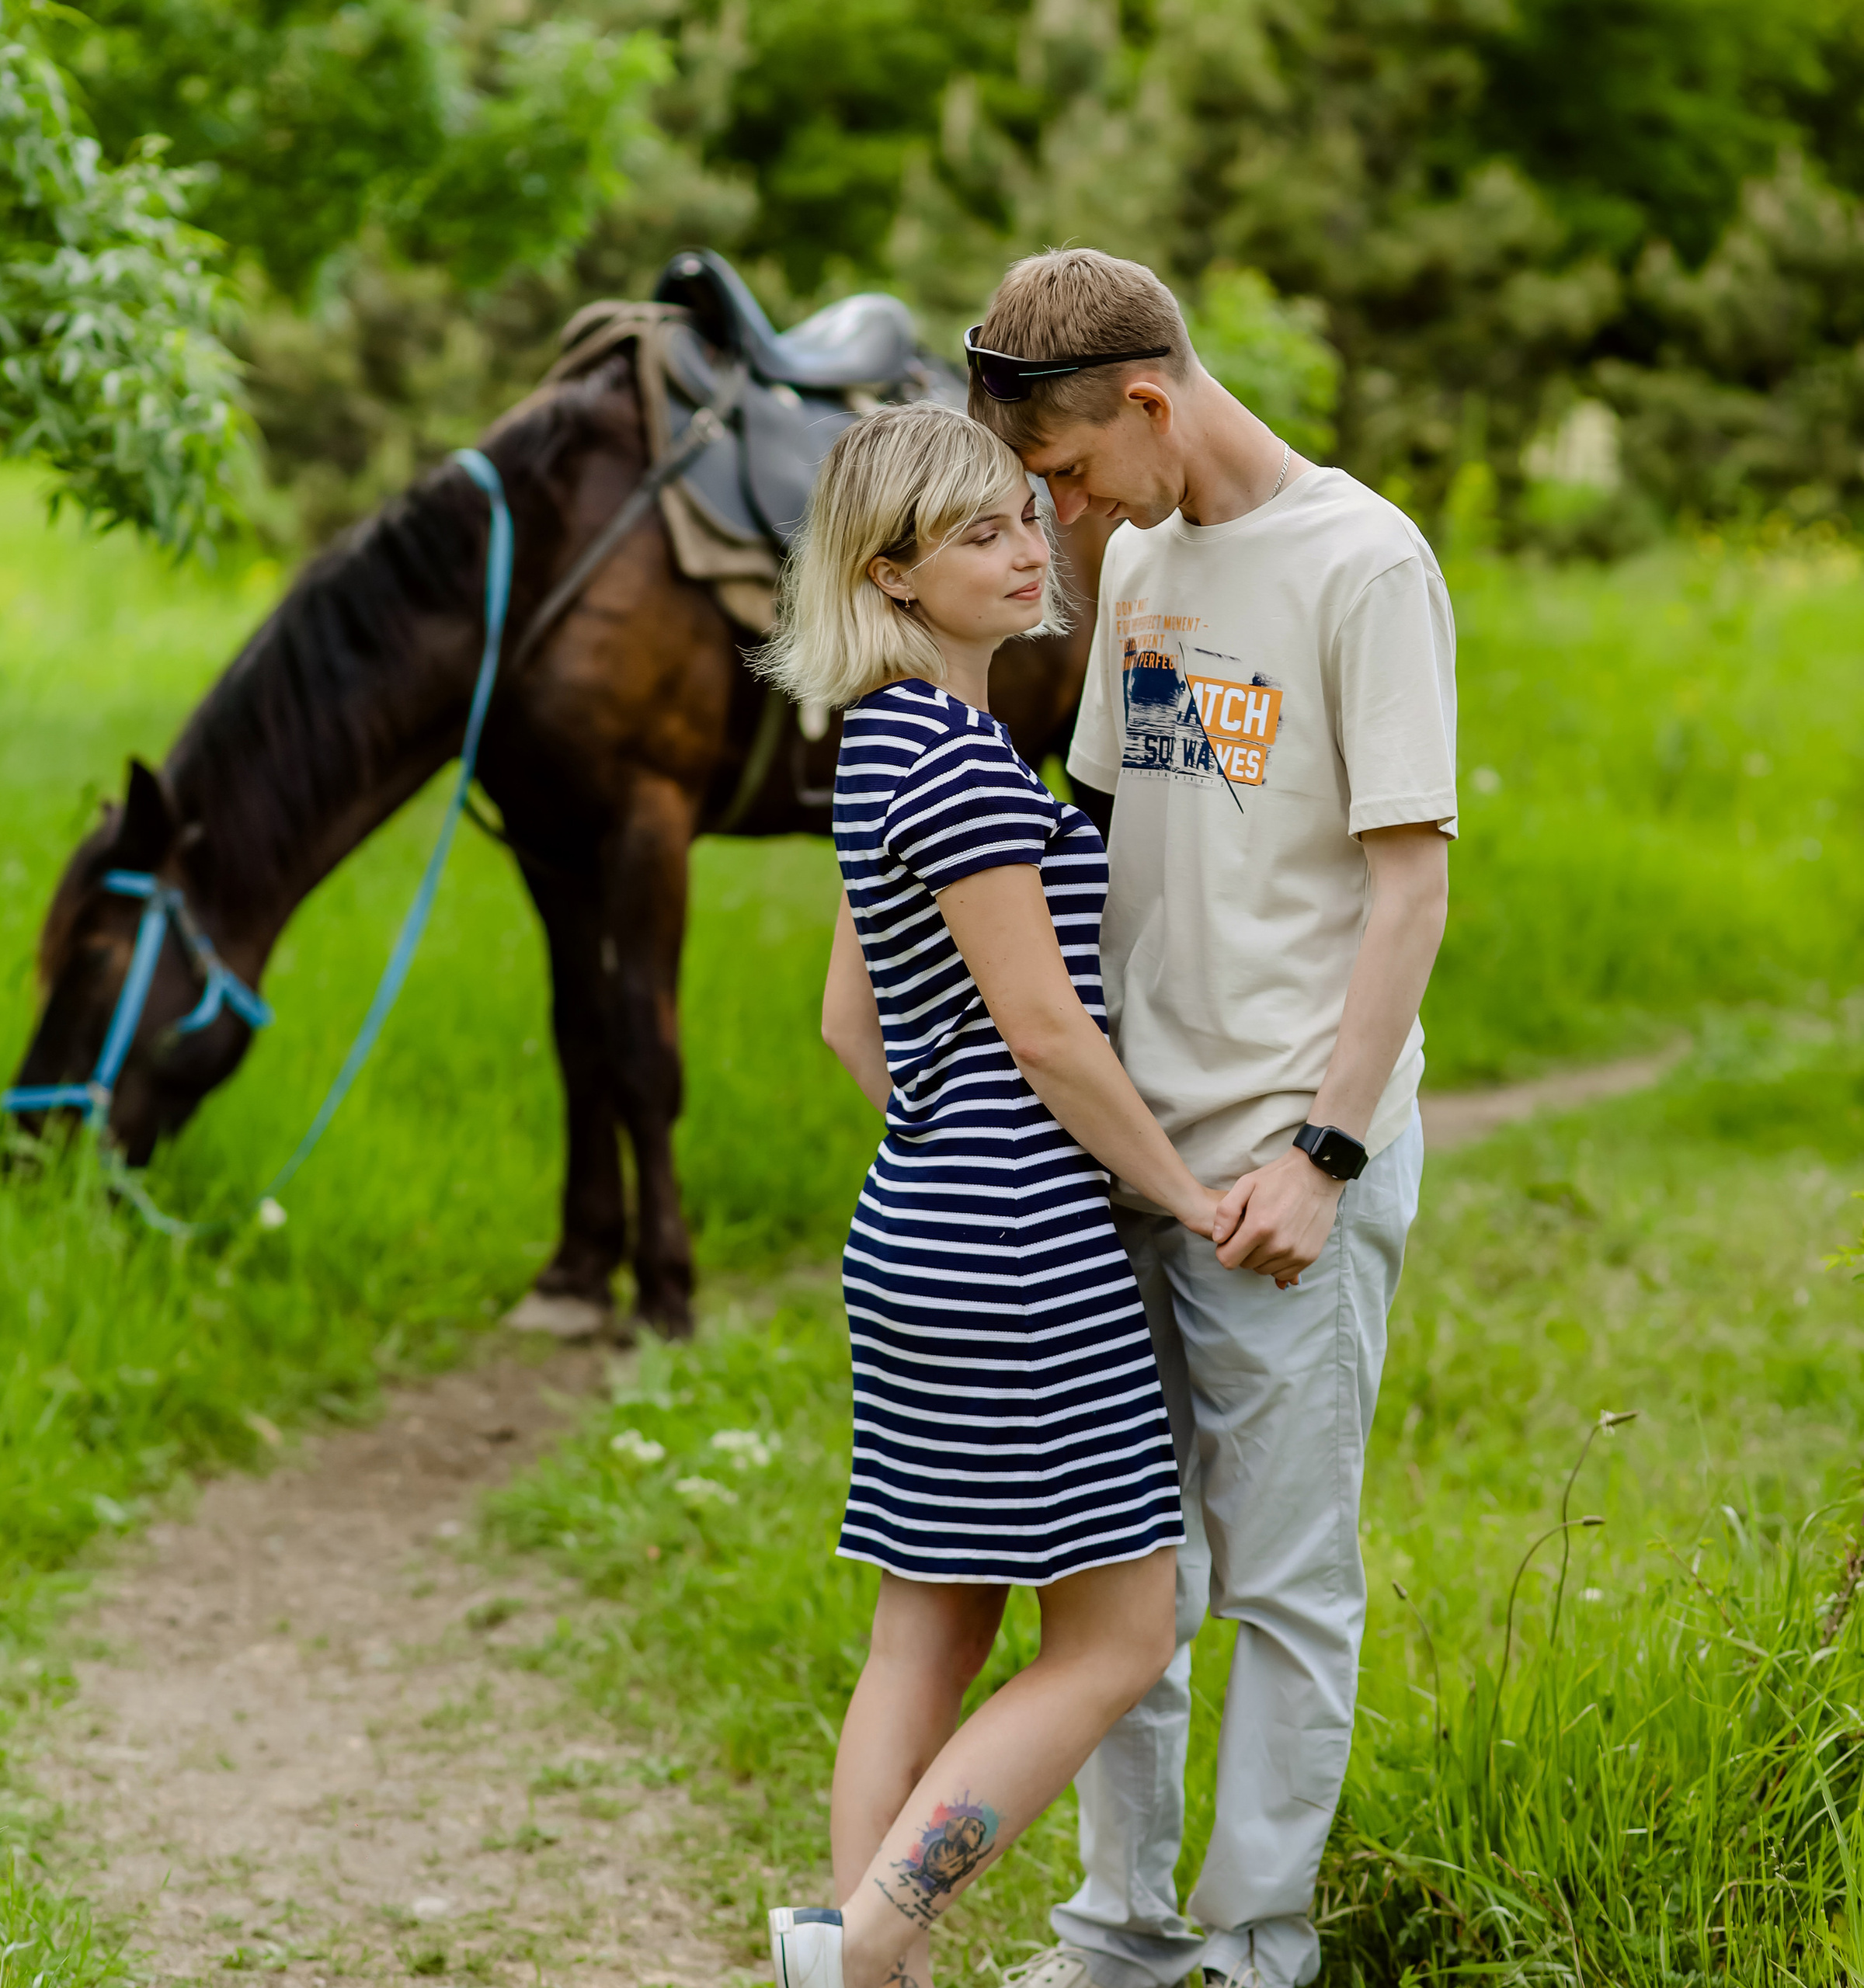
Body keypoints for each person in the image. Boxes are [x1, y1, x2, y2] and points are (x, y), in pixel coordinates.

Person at [966, 248, 1457, 1988]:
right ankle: (1120, 1929)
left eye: (1074, 471)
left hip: (1278, 1174)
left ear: (1151, 401)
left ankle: (1254, 1949)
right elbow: (1094, 836)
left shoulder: (1360, 563)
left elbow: (1407, 893)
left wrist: (1318, 1156)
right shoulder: (1145, 555)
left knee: (1283, 1581)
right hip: (1130, 1167)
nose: (1062, 516)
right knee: (1121, 1582)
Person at [759, 401, 1231, 1988]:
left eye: (1028, 516)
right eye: (980, 532)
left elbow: (852, 1020)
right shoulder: (957, 761)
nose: (1030, 546)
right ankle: (866, 1935)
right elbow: (1044, 1026)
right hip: (1020, 1252)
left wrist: (952, 1145)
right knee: (1114, 1636)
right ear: (890, 572)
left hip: (915, 1228)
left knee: (927, 1628)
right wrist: (1178, 1189)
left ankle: (854, 1969)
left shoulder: (880, 738)